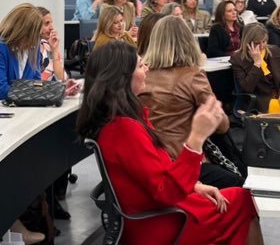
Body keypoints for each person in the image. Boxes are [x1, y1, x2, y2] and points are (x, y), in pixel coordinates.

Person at [76, 41, 263, 245]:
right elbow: (166, 190)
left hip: (158, 212)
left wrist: (195, 185)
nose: (147, 68)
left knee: (238, 198)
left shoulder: (120, 122)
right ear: (121, 78)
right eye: (140, 65)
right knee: (243, 200)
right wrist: (196, 138)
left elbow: (156, 175)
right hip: (162, 221)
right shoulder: (124, 129)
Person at [140, 16, 243, 188]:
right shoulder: (192, 75)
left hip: (150, 160)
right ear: (189, 40)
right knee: (240, 185)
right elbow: (221, 125)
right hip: (183, 159)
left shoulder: (141, 75)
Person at [0, 4, 47, 243]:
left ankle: (27, 220)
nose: (38, 39)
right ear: (22, 30)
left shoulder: (33, 48)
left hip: (24, 118)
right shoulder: (1, 48)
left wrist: (46, 91)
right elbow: (2, 89)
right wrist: (31, 91)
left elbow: (37, 82)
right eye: (35, 33)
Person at [230, 23, 280, 114]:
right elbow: (247, 87)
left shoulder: (274, 50)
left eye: (264, 41)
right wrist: (257, 64)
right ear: (247, 42)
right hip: (261, 101)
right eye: (257, 43)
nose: (262, 46)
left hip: (279, 95)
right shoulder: (238, 58)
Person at [38, 7, 80, 95]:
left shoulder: (48, 46)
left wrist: (55, 49)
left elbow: (62, 78)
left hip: (52, 95)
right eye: (46, 24)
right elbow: (37, 84)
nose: (51, 27)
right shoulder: (31, 49)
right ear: (36, 25)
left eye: (51, 23)